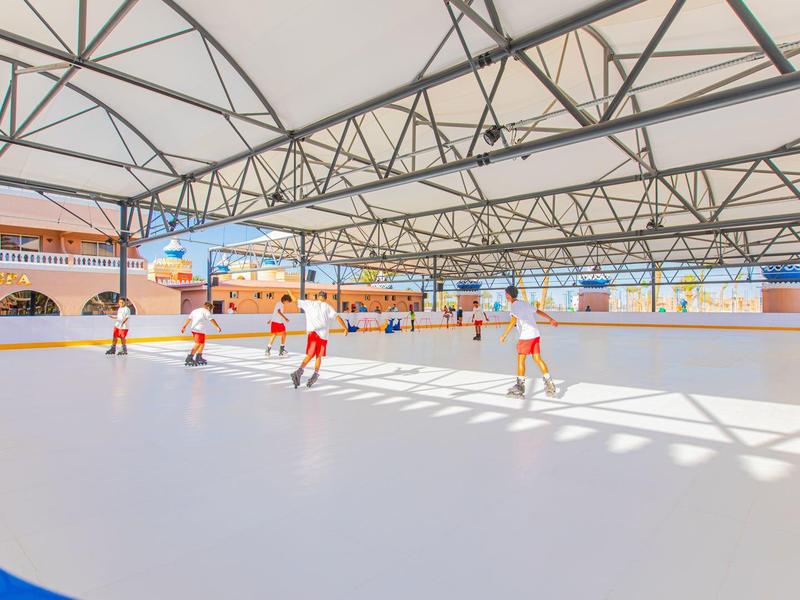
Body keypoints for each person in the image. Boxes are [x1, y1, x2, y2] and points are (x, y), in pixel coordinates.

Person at [499, 285, 558, 397]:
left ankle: (520, 386)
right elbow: (538, 311)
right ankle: (549, 382)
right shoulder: (524, 303)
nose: (505, 296)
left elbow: (513, 321)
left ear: (510, 294)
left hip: (526, 336)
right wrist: (550, 319)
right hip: (535, 334)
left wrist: (504, 335)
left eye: (506, 294)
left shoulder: (514, 306)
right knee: (537, 358)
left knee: (521, 360)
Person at [291, 291, 348, 388]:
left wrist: (289, 292)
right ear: (325, 298)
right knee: (318, 356)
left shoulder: (309, 303)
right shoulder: (327, 306)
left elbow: (295, 301)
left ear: (318, 297)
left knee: (310, 354)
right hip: (323, 336)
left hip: (313, 333)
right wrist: (345, 328)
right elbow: (337, 317)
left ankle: (299, 371)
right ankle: (314, 374)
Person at [180, 302, 222, 366]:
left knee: (202, 343)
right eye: (210, 309)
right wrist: (217, 327)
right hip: (199, 330)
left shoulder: (195, 310)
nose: (210, 310)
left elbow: (189, 319)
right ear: (208, 307)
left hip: (196, 330)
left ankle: (199, 357)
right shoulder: (206, 311)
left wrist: (184, 326)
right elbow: (211, 319)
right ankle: (189, 358)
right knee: (198, 343)